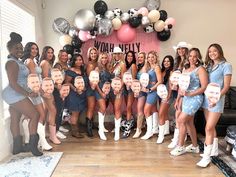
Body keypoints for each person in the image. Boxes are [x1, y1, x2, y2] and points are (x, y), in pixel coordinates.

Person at [2, 32, 42, 156]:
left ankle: (17, 148)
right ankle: (33, 147)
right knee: (35, 115)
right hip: (14, 93)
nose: (19, 50)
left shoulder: (17, 61)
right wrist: (28, 94)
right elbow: (13, 83)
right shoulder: (11, 63)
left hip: (15, 93)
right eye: (16, 48)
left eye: (21, 47)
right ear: (10, 49)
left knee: (15, 118)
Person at [197, 44, 232, 167]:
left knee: (208, 127)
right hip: (207, 99)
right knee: (211, 128)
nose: (212, 53)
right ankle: (214, 150)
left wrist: (216, 99)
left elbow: (226, 86)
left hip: (217, 100)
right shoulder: (209, 66)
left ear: (220, 51)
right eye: (210, 51)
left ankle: (207, 157)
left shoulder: (226, 66)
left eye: (214, 51)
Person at [170, 48, 208, 156]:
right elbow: (181, 88)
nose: (192, 58)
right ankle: (195, 147)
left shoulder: (200, 69)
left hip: (195, 98)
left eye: (194, 56)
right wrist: (178, 100)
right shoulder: (185, 70)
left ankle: (180, 146)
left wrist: (191, 94)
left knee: (181, 120)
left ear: (198, 58)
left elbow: (204, 87)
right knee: (189, 122)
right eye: (190, 56)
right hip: (185, 98)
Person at [22, 42, 52, 151]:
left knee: (29, 117)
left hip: (35, 90)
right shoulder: (29, 61)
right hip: (34, 91)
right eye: (32, 49)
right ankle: (42, 142)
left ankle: (29, 140)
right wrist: (42, 92)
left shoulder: (33, 60)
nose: (34, 51)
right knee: (42, 115)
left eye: (36, 49)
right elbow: (34, 79)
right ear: (28, 50)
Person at [168, 41, 191, 149]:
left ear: (186, 50)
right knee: (178, 115)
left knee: (179, 115)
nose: (180, 51)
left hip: (185, 92)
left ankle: (178, 139)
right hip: (178, 91)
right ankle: (178, 138)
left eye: (183, 49)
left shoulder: (188, 62)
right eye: (179, 49)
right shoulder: (177, 62)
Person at [39, 46, 61, 145]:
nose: (50, 54)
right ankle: (52, 136)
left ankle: (44, 134)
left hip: (49, 90)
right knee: (53, 111)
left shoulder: (49, 63)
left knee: (45, 113)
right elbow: (46, 79)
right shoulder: (45, 63)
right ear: (44, 53)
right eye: (48, 52)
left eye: (52, 52)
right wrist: (56, 85)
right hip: (47, 91)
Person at [141, 51, 162, 140]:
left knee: (146, 110)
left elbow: (160, 81)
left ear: (156, 58)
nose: (150, 59)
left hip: (153, 91)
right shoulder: (149, 67)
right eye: (149, 57)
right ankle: (155, 129)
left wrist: (150, 89)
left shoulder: (156, 67)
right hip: (148, 91)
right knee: (153, 109)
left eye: (152, 57)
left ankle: (149, 132)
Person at [64, 54, 87, 138]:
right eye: (76, 60)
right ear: (73, 61)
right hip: (74, 95)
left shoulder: (82, 70)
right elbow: (67, 82)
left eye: (80, 59)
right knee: (75, 113)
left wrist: (84, 88)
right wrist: (75, 89)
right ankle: (74, 132)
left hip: (82, 94)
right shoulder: (70, 71)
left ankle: (76, 127)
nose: (79, 61)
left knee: (79, 112)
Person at [156, 55, 174, 144]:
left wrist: (169, 95)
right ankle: (166, 130)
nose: (166, 63)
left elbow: (171, 85)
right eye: (165, 61)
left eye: (168, 61)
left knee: (161, 114)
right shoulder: (162, 71)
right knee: (164, 113)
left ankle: (161, 136)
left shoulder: (171, 72)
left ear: (171, 63)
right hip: (161, 94)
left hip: (167, 95)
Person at [95, 52, 112, 140]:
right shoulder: (98, 68)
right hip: (99, 91)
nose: (104, 59)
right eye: (102, 58)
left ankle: (101, 126)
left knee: (104, 109)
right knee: (103, 108)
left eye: (105, 58)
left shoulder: (108, 67)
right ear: (100, 59)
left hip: (107, 91)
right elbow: (95, 82)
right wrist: (101, 92)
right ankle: (100, 131)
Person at [110, 46, 126, 141]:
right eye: (115, 53)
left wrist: (119, 88)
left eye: (118, 53)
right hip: (111, 89)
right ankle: (116, 127)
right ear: (113, 55)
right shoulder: (111, 64)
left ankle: (117, 133)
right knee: (114, 108)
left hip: (119, 89)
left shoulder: (122, 64)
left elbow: (124, 78)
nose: (117, 55)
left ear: (121, 54)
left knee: (117, 109)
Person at [122, 51, 137, 138]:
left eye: (131, 56)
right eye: (128, 56)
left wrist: (130, 86)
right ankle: (131, 122)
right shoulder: (125, 65)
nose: (130, 57)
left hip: (131, 89)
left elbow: (134, 78)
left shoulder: (133, 66)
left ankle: (127, 129)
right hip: (125, 89)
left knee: (128, 107)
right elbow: (123, 77)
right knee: (128, 107)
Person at [85, 47, 99, 137]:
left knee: (94, 107)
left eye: (95, 53)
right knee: (91, 107)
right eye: (91, 53)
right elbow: (91, 80)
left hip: (97, 87)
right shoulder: (90, 65)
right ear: (89, 55)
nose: (93, 55)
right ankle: (88, 129)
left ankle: (91, 123)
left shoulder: (97, 63)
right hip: (91, 88)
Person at [133, 52, 147, 138]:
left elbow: (145, 80)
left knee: (139, 109)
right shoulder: (139, 66)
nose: (140, 58)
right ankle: (141, 125)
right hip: (138, 90)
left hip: (143, 91)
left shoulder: (145, 67)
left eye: (142, 57)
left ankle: (138, 130)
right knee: (141, 109)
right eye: (139, 57)